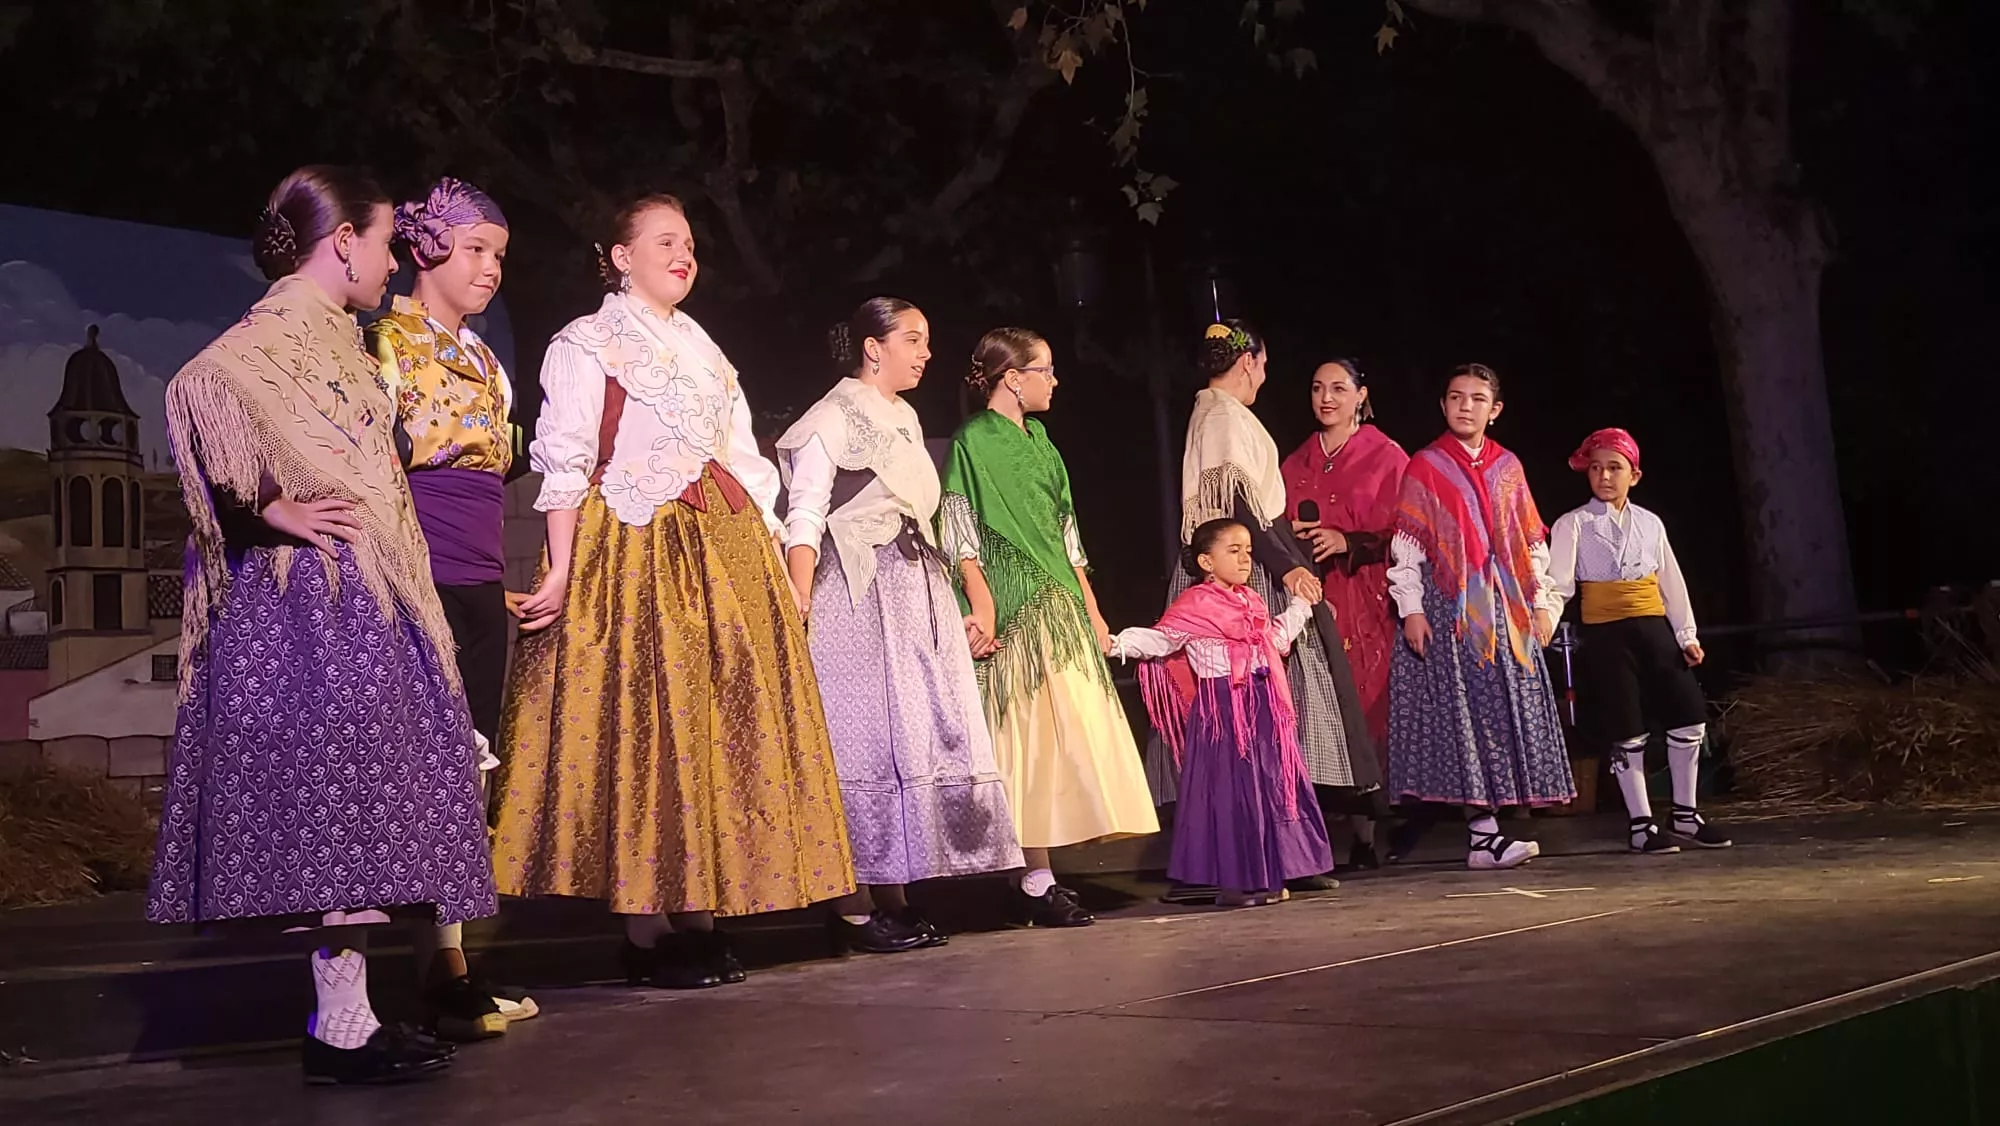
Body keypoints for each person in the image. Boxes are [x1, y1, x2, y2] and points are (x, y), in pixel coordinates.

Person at [147, 165, 493, 1084]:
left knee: (367, 811)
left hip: (371, 590)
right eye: (382, 243)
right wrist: (270, 505)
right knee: (333, 813)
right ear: (344, 242)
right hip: (310, 602)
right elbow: (204, 388)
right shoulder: (271, 336)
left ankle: (351, 1018)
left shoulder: (340, 336)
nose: (388, 262)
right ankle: (340, 1027)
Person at [492, 193, 854, 989]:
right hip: (636, 545)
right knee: (647, 725)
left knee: (714, 725)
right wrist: (558, 567)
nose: (684, 254)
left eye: (689, 243)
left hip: (722, 549)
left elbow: (746, 461)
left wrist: (775, 557)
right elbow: (567, 461)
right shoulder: (587, 344)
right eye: (665, 241)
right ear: (620, 257)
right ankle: (646, 927)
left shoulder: (704, 347)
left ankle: (702, 911)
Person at [776, 298, 1023, 953]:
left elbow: (928, 512)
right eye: (912, 339)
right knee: (863, 738)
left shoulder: (906, 416)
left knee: (909, 733)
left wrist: (964, 592)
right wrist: (799, 595)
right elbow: (806, 510)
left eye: (927, 339)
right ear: (872, 346)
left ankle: (896, 893)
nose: (924, 352)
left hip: (913, 587)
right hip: (856, 593)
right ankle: (854, 907)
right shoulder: (832, 416)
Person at [367, 176, 538, 1040]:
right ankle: (398, 979)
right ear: (428, 247)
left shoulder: (487, 361)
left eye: (499, 256)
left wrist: (487, 580)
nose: (489, 269)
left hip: (472, 583)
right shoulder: (384, 343)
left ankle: (450, 965)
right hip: (411, 579)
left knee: (468, 777)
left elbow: (485, 481)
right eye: (475, 249)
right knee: (411, 773)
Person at [939, 327, 1159, 926]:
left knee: (1072, 733)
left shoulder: (1044, 444)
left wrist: (1090, 606)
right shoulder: (972, 442)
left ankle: (1043, 873)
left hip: (1059, 599)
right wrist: (981, 603)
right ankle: (1034, 880)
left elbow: (1068, 535)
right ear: (1014, 378)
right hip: (1016, 598)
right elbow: (958, 528)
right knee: (1027, 738)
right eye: (1046, 369)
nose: (1054, 380)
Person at [1150, 322, 1377, 896]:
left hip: (1241, 561)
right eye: (1264, 364)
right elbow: (1240, 516)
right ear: (1248, 361)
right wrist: (1286, 565)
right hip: (1234, 573)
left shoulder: (1218, 412)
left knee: (1272, 724)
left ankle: (1283, 854)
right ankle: (1232, 857)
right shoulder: (1223, 416)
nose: (1265, 375)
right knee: (1255, 719)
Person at [1387, 363, 1574, 870]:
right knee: (1463, 718)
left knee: (1499, 714)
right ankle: (1483, 833)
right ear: (1444, 405)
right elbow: (1408, 548)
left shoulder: (1507, 466)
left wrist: (1538, 602)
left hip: (1504, 606)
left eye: (1476, 398)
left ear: (1495, 410)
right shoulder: (1426, 465)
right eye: (1455, 396)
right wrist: (1412, 610)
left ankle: (1487, 835)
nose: (1464, 406)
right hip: (1452, 609)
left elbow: (1529, 540)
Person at [1113, 518, 1334, 907]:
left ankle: (1269, 877)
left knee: (1267, 791)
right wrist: (1117, 644)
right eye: (1233, 551)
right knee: (1232, 796)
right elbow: (1163, 640)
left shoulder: (1251, 601)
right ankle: (1235, 884)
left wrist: (1301, 605)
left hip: (1264, 707)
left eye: (1248, 551)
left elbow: (1275, 640)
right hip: (1223, 712)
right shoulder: (1195, 605)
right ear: (1206, 561)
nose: (1245, 559)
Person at [1546, 428, 1731, 853]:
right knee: (1626, 724)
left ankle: (1685, 813)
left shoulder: (1649, 523)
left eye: (1615, 468)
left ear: (1635, 474)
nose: (1605, 477)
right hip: (1606, 633)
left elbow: (1671, 581)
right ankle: (1641, 822)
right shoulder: (1573, 523)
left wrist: (1686, 634)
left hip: (1652, 626)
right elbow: (1559, 584)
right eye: (1596, 468)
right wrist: (1545, 620)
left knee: (1689, 714)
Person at [1280, 358, 1409, 870]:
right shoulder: (1295, 461)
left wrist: (1348, 540)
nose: (1326, 398)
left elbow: (1408, 531)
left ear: (1361, 395)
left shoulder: (1387, 456)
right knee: (1319, 705)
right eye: (1317, 388)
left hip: (1371, 599)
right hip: (1315, 596)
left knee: (1368, 705)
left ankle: (1368, 829)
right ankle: (1327, 830)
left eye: (1338, 388)